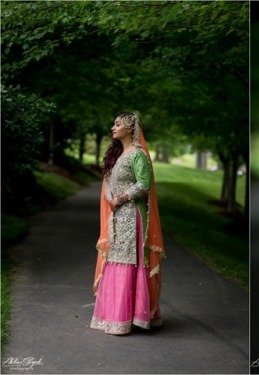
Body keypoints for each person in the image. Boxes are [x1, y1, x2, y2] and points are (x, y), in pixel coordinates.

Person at [90, 112, 165, 335]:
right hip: (118, 216)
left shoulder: (138, 155)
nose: (113, 127)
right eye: (113, 123)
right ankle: (115, 317)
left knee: (128, 261)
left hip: (132, 216)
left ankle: (132, 317)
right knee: (115, 259)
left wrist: (119, 199)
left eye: (118, 124)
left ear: (130, 128)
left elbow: (144, 185)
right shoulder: (119, 154)